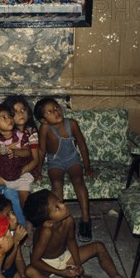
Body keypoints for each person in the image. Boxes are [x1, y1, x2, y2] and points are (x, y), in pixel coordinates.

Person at [23, 190, 140, 278]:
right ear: (48, 222)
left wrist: (77, 263)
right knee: (30, 271)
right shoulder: (46, 232)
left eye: (59, 201)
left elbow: (71, 241)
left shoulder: (68, 220)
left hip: (65, 257)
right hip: (47, 265)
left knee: (98, 246)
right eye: (57, 207)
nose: (63, 205)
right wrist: (60, 272)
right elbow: (35, 260)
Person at [34, 97, 94, 242]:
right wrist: (38, 170)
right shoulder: (45, 128)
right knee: (56, 183)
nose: (56, 112)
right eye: (50, 112)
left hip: (73, 160)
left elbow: (82, 145)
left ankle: (85, 219)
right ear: (44, 120)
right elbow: (41, 150)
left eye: (56, 108)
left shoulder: (71, 124)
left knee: (78, 181)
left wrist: (87, 168)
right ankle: (59, 219)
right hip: (55, 161)